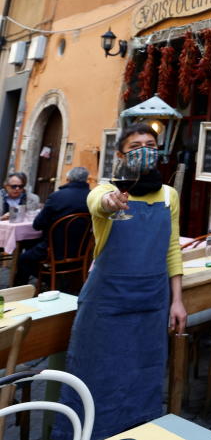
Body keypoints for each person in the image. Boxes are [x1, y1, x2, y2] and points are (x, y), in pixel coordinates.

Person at [53, 124, 186, 440]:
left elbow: (172, 249)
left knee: (145, 375)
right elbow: (98, 202)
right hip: (106, 303)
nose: (144, 149)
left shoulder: (170, 195)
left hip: (152, 303)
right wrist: (110, 203)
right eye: (136, 144)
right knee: (94, 376)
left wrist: (177, 299)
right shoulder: (105, 189)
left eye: (150, 144)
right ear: (120, 155)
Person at [14, 166, 91, 286]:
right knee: (33, 246)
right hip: (83, 251)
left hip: (55, 250)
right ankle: (58, 280)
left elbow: (37, 225)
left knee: (24, 259)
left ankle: (44, 282)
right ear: (86, 180)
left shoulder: (57, 197)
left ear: (68, 179)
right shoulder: (92, 197)